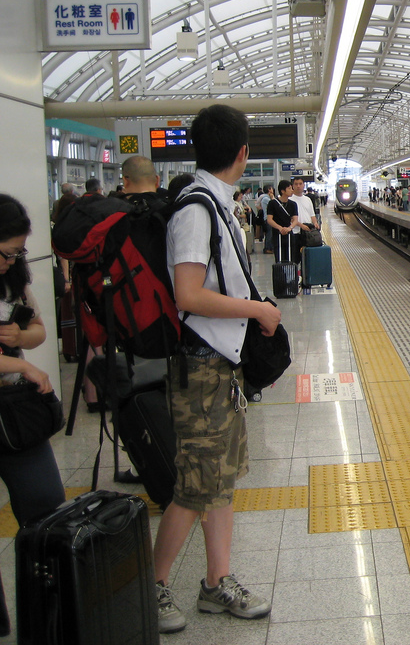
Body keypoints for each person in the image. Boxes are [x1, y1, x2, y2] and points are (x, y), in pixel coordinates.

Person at [152, 104, 281, 634]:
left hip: (222, 369)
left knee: (222, 481)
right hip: (200, 369)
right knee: (193, 485)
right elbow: (187, 294)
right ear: (243, 154)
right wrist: (257, 310)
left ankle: (215, 582)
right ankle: (153, 585)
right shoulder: (196, 210)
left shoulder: (218, 205)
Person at [0, 195, 67, 529]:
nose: (12, 261)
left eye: (18, 254)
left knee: (45, 504)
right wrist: (23, 366)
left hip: (14, 407)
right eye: (8, 253)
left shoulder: (12, 280)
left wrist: (19, 339)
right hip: (15, 383)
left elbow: (38, 330)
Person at [266, 179, 298, 263]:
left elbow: (295, 220)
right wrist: (280, 228)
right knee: (279, 258)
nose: (292, 190)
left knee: (291, 257)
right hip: (277, 234)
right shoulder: (272, 203)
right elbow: (269, 219)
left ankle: (291, 275)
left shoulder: (293, 204)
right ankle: (281, 275)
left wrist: (289, 228)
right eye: (290, 188)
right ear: (283, 191)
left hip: (289, 234)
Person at [290, 176, 319, 251]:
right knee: (295, 255)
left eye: (300, 184)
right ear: (293, 186)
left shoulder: (307, 199)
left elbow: (312, 214)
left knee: (307, 255)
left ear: (304, 185)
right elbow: (290, 218)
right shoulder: (290, 200)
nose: (298, 186)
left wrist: (315, 223)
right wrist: (301, 225)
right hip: (295, 232)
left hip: (307, 233)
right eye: (296, 184)